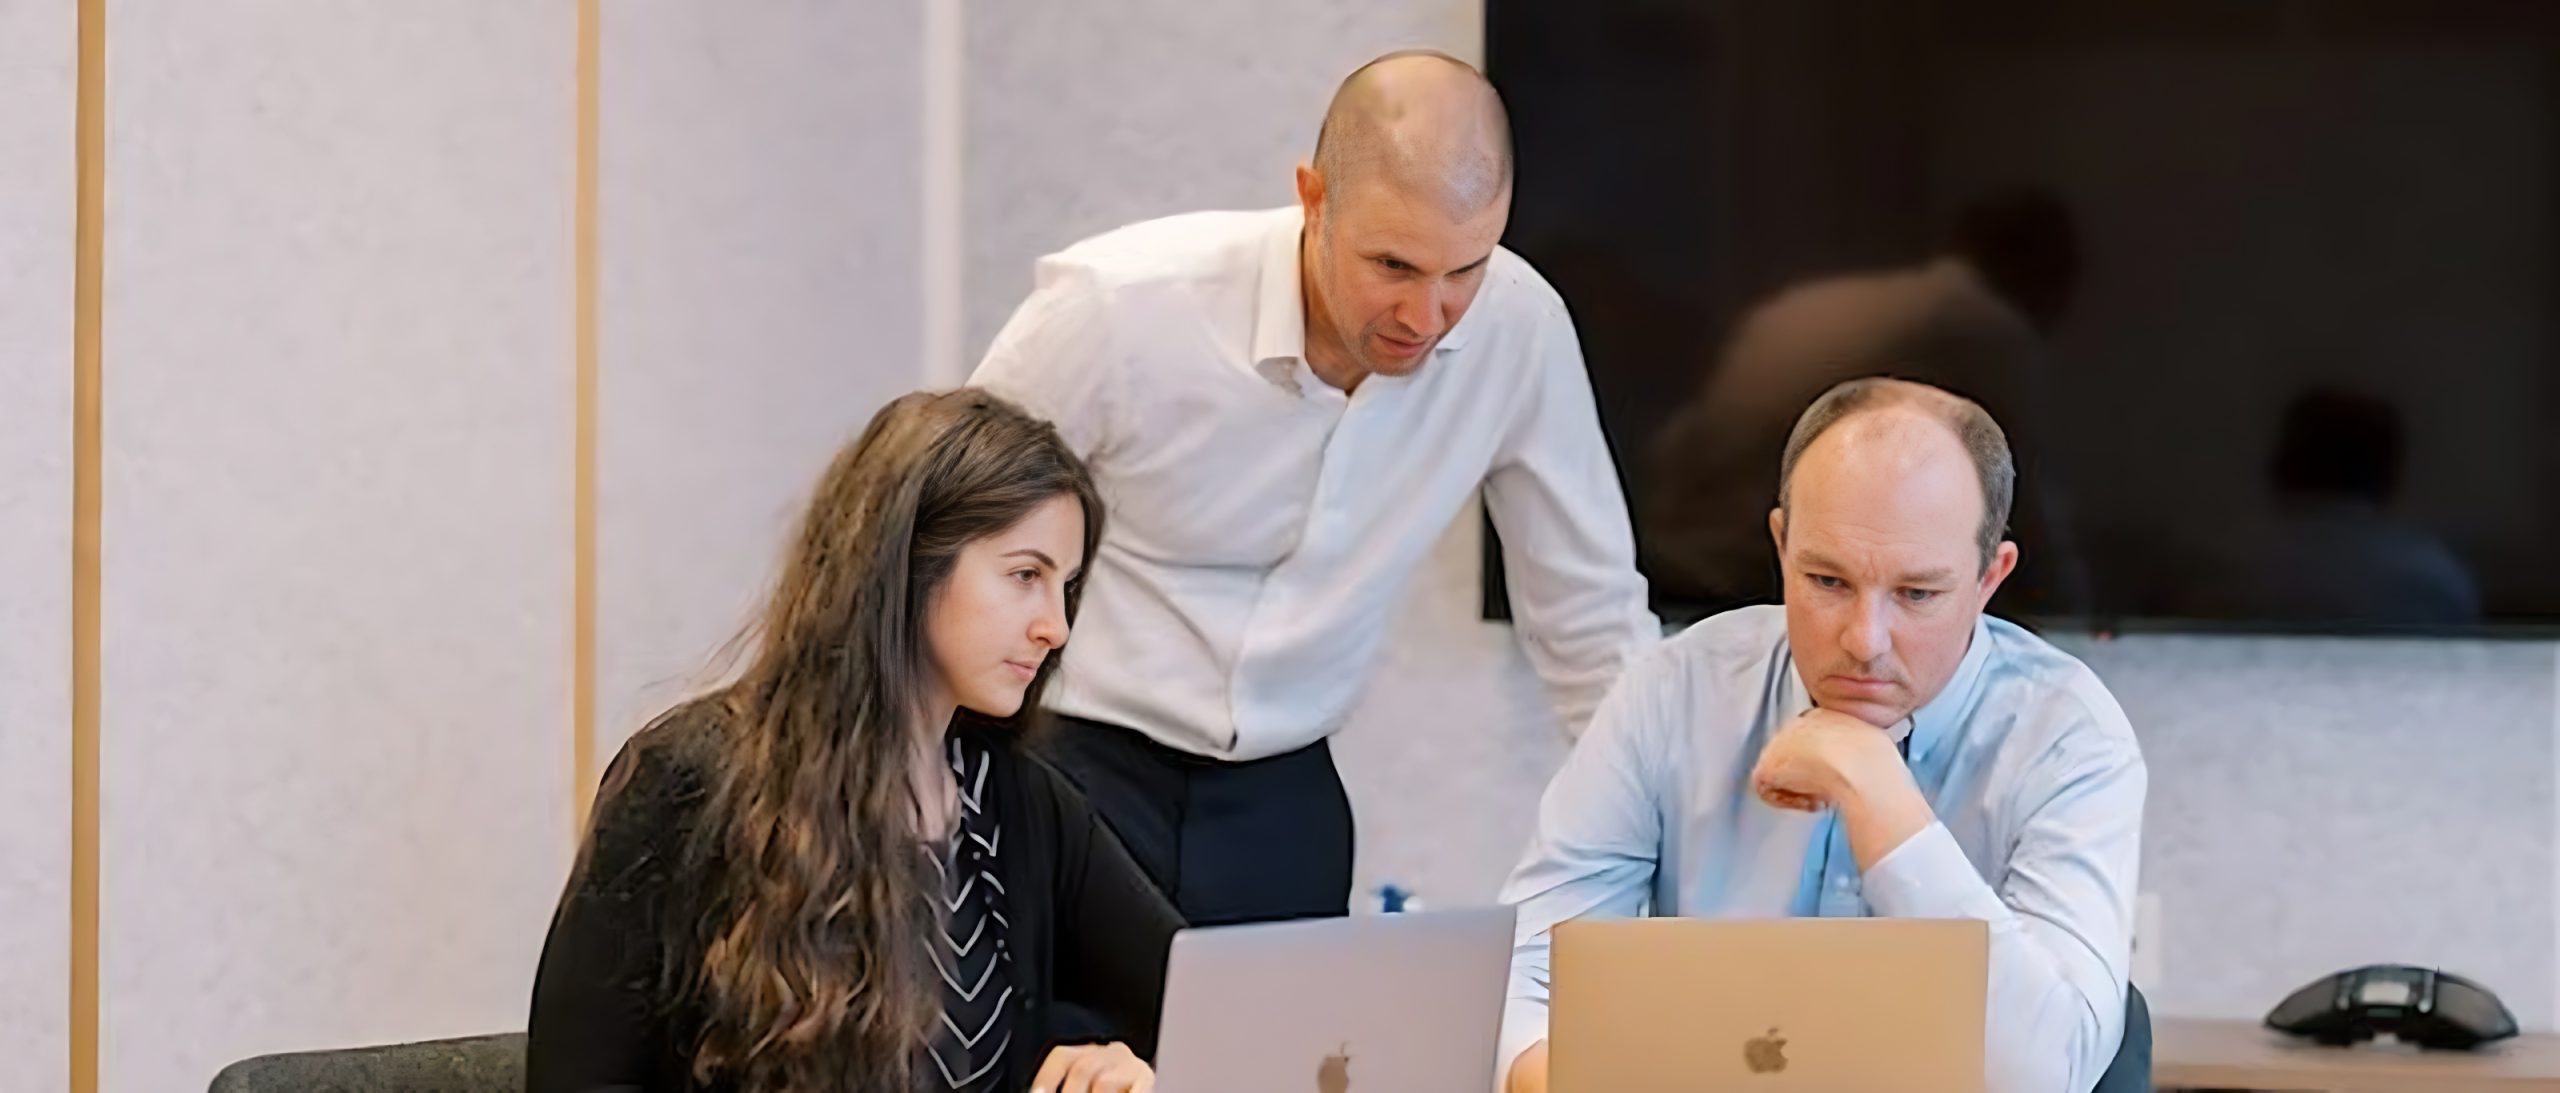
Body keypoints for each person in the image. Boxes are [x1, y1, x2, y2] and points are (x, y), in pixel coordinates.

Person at [971, 50, 1655, 926]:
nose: (1427, 316)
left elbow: (1591, 618)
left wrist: (1652, 842)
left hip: (1286, 793)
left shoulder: (1519, 330)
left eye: (1466, 270)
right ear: (1314, 197)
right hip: (1071, 760)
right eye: (1394, 267)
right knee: (1067, 1060)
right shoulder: (1121, 308)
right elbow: (953, 537)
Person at [1500, 378, 2146, 1093]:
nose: (1864, 640)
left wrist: (1877, 792)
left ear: (1990, 577)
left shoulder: (2069, 740)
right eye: (1827, 580)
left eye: (1917, 594)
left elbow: (2046, 1073)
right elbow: (1527, 974)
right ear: (1781, 545)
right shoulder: (1676, 689)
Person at [528, 390, 1182, 1093]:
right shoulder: (689, 781)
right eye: (1026, 575)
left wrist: (1142, 1066)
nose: (1056, 625)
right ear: (908, 564)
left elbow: (1205, 1003)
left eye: (1067, 586)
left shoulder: (1021, 802)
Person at [1640, 188, 2087, 618]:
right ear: (2050, 276)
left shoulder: (1819, 301)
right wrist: (2073, 618)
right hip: (1757, 581)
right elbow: (2028, 492)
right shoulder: (1985, 324)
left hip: (1671, 560)